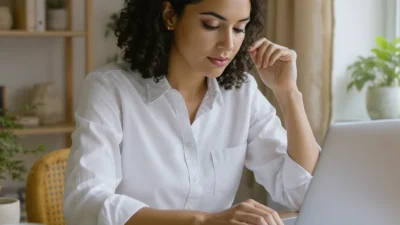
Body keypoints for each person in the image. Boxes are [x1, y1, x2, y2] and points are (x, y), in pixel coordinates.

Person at [63, 0, 320, 224]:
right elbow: (85, 206)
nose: (228, 44)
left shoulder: (242, 93)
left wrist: (288, 94)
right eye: (211, 25)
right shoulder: (110, 89)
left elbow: (307, 194)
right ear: (170, 16)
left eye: (239, 28)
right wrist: (203, 221)